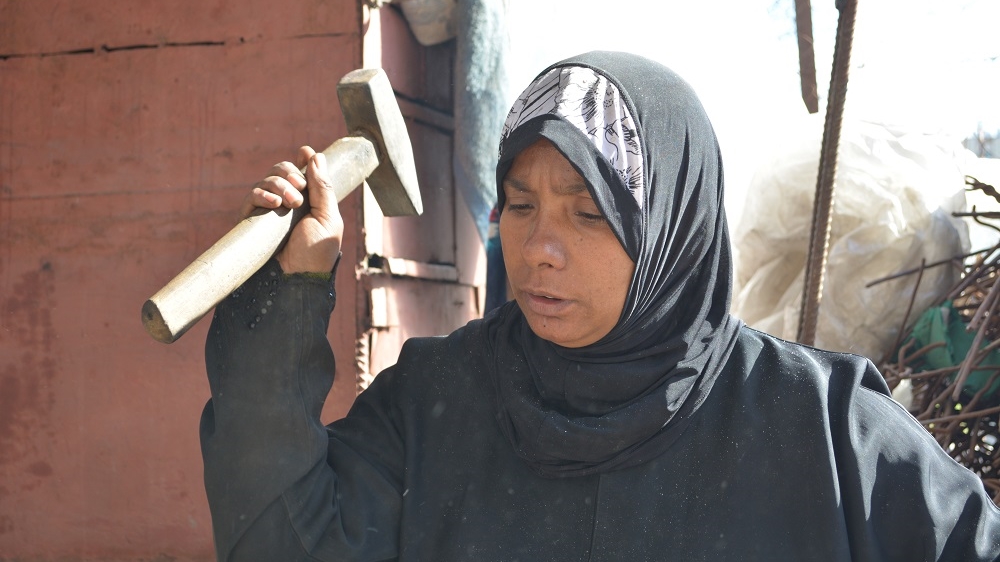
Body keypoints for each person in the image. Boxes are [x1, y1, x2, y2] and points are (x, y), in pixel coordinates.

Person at [200, 51, 1000, 561]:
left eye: (589, 214)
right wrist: (292, 292)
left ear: (672, 229)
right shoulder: (440, 402)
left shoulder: (820, 428)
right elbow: (279, 538)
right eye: (520, 206)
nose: (542, 247)